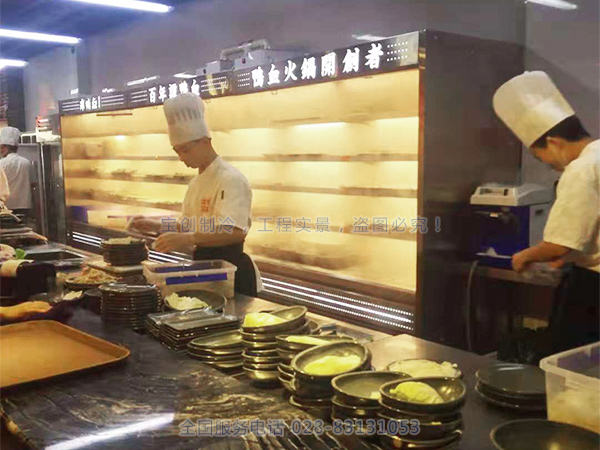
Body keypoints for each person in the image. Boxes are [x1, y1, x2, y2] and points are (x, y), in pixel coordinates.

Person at [493, 71, 599, 351]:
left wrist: (524, 257)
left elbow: (559, 244)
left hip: (593, 290)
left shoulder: (581, 168)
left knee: (573, 360)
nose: (551, 166)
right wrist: (568, 254)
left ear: (553, 142)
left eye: (542, 158)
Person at [129, 93, 262, 296]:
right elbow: (188, 224)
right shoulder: (195, 184)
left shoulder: (230, 178)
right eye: (177, 151)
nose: (182, 157)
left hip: (233, 273)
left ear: (206, 142)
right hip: (204, 270)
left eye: (186, 150)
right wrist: (155, 225)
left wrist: (187, 239)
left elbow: (235, 231)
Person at [0, 127, 35, 219]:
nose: (0, 150)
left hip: (6, 207)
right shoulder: (26, 163)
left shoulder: (1, 164)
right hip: (25, 206)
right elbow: (33, 184)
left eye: (1, 147)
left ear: (6, 148)